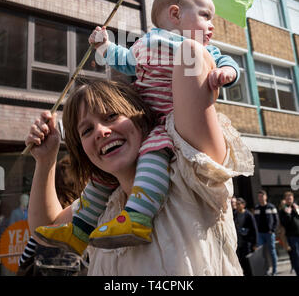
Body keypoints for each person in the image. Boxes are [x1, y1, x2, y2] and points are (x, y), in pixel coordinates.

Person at [35, 0, 241, 255]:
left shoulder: (196, 50)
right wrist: (104, 46)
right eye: (205, 16)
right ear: (175, 14)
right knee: (100, 179)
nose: (101, 131)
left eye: (111, 117)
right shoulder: (145, 44)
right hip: (146, 117)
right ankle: (79, 230)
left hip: (167, 122)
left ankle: (137, 217)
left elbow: (220, 61)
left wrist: (224, 71)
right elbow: (123, 60)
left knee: (153, 150)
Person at [26, 75, 254, 276]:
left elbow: (190, 58)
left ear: (141, 118)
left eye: (111, 116)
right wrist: (46, 160)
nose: (101, 131)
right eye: (87, 130)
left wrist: (178, 33)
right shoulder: (102, 206)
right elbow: (46, 227)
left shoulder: (189, 173)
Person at [254, 190, 278, 276]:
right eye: (259, 196)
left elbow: (276, 220)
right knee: (262, 253)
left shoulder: (271, 207)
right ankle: (267, 270)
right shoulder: (256, 208)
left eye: (262, 196)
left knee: (272, 252)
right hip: (260, 234)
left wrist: (273, 230)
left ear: (265, 197)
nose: (260, 198)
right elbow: (255, 221)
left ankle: (274, 271)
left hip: (269, 234)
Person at [234, 197, 258, 276]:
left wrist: (255, 244)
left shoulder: (248, 215)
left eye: (238, 204)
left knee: (248, 262)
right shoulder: (235, 214)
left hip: (247, 243)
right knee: (242, 262)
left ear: (243, 205)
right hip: (238, 243)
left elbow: (254, 229)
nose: (236, 206)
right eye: (236, 204)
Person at [279, 191, 299, 276]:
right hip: (292, 237)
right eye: (287, 199)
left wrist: (297, 210)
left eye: (290, 198)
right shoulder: (283, 210)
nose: (289, 200)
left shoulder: (296, 208)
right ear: (285, 200)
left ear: (293, 199)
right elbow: (284, 224)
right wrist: (288, 214)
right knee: (296, 256)